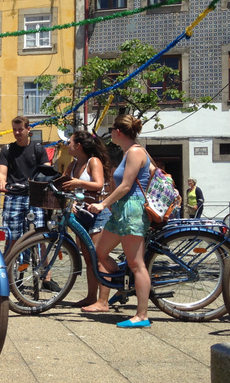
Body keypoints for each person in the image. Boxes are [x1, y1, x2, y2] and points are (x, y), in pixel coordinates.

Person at [86, 115, 153, 327]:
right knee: (100, 252)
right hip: (121, 210)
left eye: (112, 129)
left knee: (137, 264)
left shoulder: (134, 152)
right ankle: (124, 283)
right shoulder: (131, 151)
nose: (111, 133)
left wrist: (102, 204)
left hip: (132, 209)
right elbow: (152, 172)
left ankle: (142, 315)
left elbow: (126, 185)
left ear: (119, 132)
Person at [60, 131, 112, 308]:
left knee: (99, 257)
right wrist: (70, 198)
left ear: (79, 146)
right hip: (82, 214)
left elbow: (98, 184)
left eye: (70, 142)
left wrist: (77, 183)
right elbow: (65, 185)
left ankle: (103, 301)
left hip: (97, 214)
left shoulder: (93, 161)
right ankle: (91, 297)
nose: (68, 144)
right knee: (89, 259)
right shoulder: (73, 165)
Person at [0, 116, 51, 247]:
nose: (17, 133)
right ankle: (9, 265)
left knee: (40, 237)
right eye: (14, 130)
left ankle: (44, 266)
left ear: (28, 129)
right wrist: (2, 182)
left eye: (20, 129)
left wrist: (39, 179)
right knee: (12, 237)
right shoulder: (7, 150)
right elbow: (2, 173)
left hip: (35, 196)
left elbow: (47, 170)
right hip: (14, 195)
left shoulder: (38, 148)